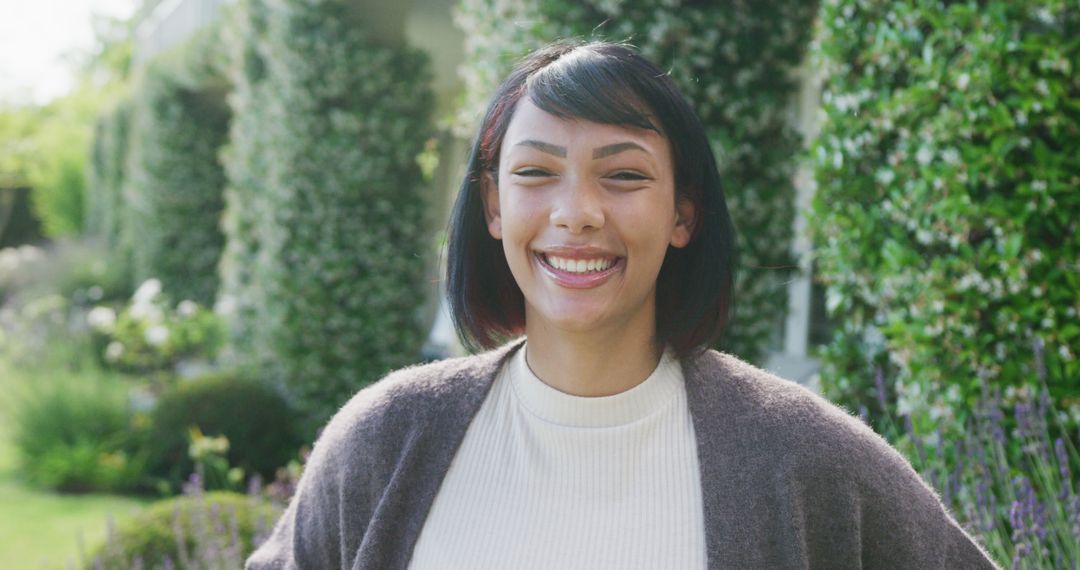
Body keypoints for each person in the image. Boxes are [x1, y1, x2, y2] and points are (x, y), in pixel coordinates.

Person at [246, 41, 998, 569]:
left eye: (625, 176)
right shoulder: (387, 440)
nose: (576, 213)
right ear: (493, 206)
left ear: (683, 215)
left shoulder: (802, 457)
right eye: (536, 172)